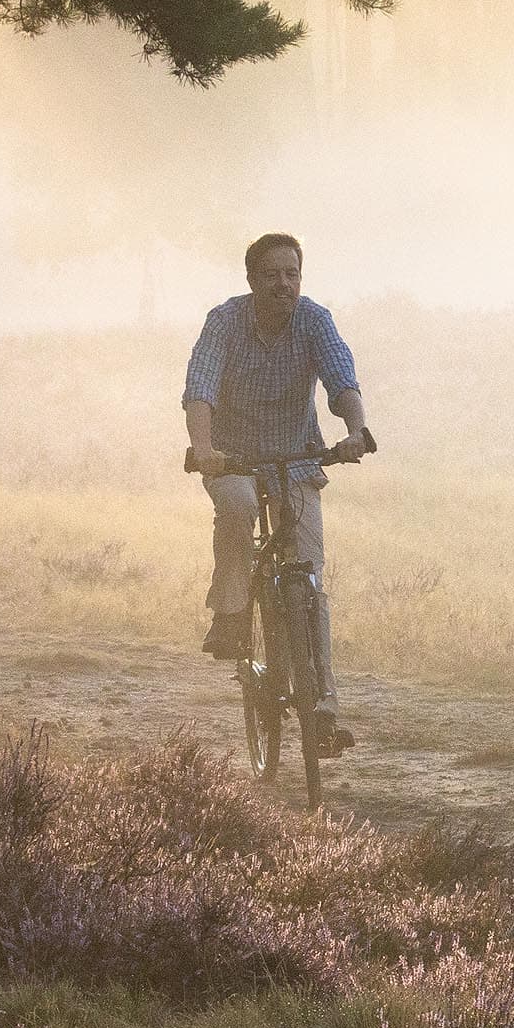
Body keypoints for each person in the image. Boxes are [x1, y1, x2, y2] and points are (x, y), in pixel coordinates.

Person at [183, 232, 372, 747]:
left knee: (309, 582)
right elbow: (199, 389)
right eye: (271, 275)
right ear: (251, 281)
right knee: (239, 504)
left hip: (296, 459)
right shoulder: (224, 322)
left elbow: (341, 380)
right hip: (234, 459)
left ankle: (324, 714)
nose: (283, 284)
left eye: (291, 274)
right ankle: (231, 612)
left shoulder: (314, 320)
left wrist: (355, 432)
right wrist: (204, 448)